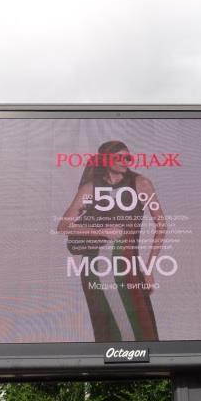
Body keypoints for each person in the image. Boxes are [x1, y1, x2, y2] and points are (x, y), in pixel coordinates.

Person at [57, 140, 167, 342]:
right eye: (119, 158)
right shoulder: (90, 188)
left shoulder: (141, 183)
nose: (126, 161)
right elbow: (63, 226)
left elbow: (162, 226)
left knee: (143, 330)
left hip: (127, 266)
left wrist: (149, 269)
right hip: (96, 268)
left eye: (128, 157)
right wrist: (101, 231)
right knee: (108, 331)